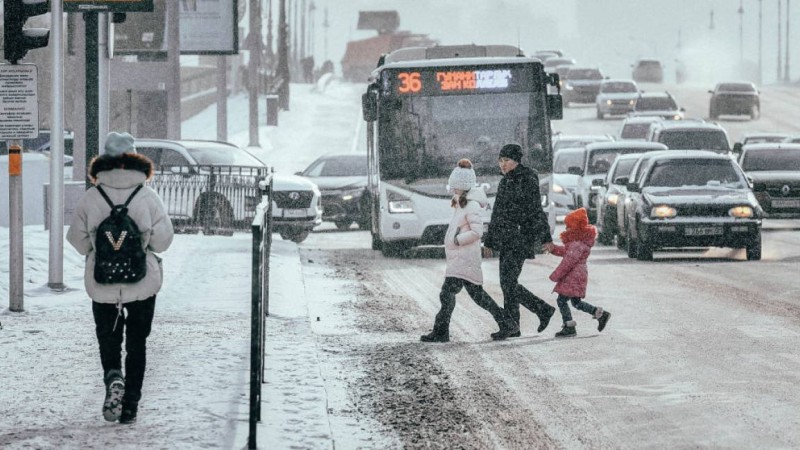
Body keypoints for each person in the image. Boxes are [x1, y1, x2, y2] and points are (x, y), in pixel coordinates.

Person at [67, 132, 174, 424]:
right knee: (137, 343)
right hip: (142, 283)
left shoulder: (92, 197)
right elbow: (163, 241)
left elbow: (76, 240)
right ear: (135, 160)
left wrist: (99, 248)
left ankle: (113, 376)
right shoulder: (147, 196)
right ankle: (130, 406)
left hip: (102, 284)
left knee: (109, 341)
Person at [421, 159, 520, 342]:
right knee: (476, 296)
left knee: (450, 294)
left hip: (465, 259)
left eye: (455, 186)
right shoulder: (461, 203)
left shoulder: (471, 205)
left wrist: (457, 240)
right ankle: (507, 324)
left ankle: (441, 332)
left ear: (463, 186)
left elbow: (477, 231)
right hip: (460, 259)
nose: (452, 189)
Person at [483, 143, 557, 338]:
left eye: (506, 160)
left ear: (516, 160)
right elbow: (497, 214)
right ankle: (517, 323)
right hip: (507, 239)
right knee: (508, 282)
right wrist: (489, 241)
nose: (502, 164)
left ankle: (535, 313)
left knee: (508, 282)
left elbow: (535, 211)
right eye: (500, 160)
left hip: (520, 237)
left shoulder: (527, 179)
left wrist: (546, 238)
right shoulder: (505, 181)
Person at [548, 207, 611, 337]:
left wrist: (555, 275)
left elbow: (568, 262)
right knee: (576, 302)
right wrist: (553, 249)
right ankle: (600, 314)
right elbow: (565, 251)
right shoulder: (578, 242)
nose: (566, 229)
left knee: (562, 300)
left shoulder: (577, 244)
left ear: (575, 227)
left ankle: (569, 325)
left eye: (568, 226)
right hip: (578, 275)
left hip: (573, 276)